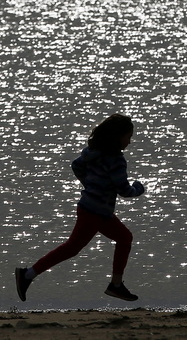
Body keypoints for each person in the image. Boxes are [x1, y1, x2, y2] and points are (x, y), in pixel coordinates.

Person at [15, 114, 146, 303]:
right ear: (117, 137)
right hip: (95, 213)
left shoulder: (92, 152)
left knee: (124, 238)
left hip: (90, 208)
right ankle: (27, 275)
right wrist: (139, 189)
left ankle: (116, 285)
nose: (130, 142)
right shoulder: (116, 160)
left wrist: (89, 184)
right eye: (128, 137)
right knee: (72, 248)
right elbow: (124, 190)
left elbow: (76, 166)